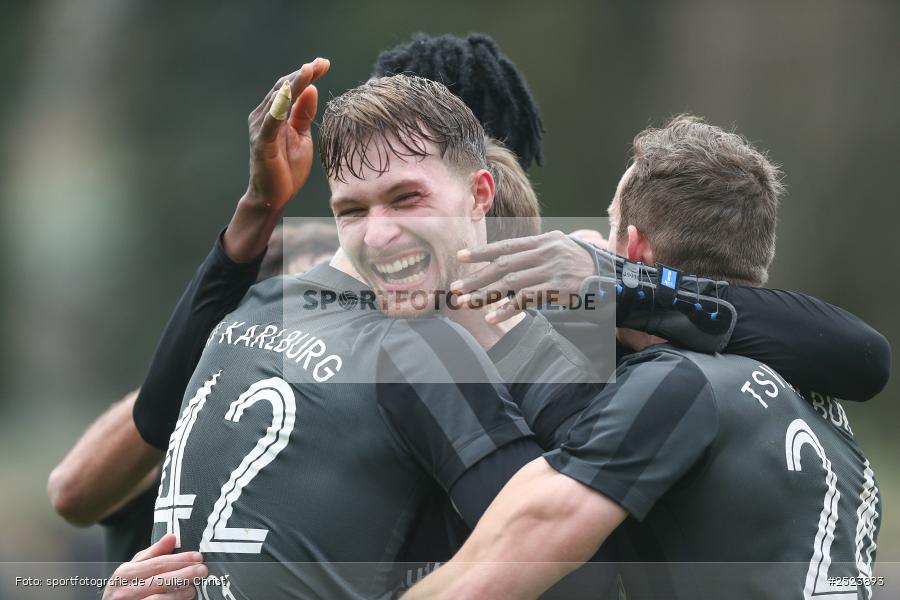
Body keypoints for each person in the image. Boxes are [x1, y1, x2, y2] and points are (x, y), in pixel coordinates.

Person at [406, 116, 882, 600]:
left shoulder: (680, 384)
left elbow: (493, 568)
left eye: (608, 228)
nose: (591, 245)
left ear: (634, 248)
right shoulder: (816, 398)